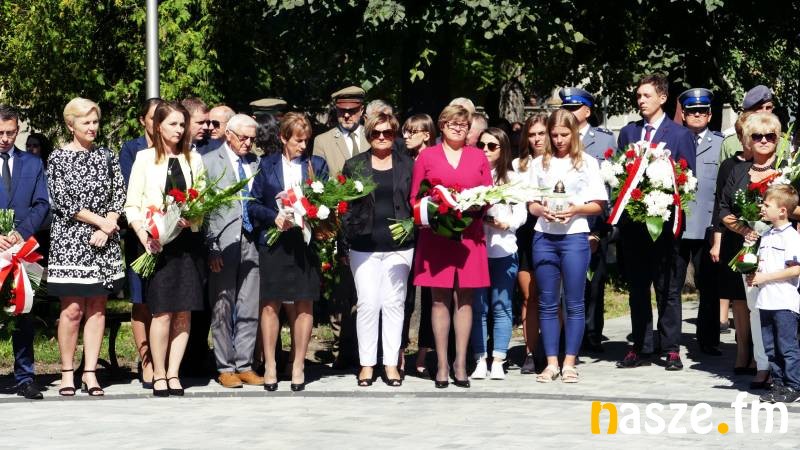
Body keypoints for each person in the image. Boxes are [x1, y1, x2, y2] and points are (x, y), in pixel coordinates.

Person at [125, 101, 206, 397]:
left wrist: (192, 216)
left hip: (187, 243)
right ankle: (158, 372)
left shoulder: (193, 159)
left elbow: (202, 201)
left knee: (183, 312)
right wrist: (145, 234)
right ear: (158, 126)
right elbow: (132, 205)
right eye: (173, 124)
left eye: (182, 124)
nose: (179, 129)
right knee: (161, 312)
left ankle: (174, 372)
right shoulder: (144, 159)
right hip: (157, 244)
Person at [616, 74, 697, 370]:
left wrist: (664, 200)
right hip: (634, 226)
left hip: (665, 225)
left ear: (662, 98)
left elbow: (688, 179)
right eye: (638, 96)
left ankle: (671, 348)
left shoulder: (679, 135)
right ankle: (640, 346)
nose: (641, 100)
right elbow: (620, 175)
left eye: (646, 95)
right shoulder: (629, 132)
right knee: (638, 288)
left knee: (668, 288)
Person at [411, 104, 492, 388]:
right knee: (438, 299)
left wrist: (478, 205)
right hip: (437, 237)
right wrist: (434, 212)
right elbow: (415, 197)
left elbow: (489, 192)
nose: (458, 128)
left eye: (463, 124)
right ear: (442, 125)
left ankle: (460, 362)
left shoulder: (478, 156)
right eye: (452, 123)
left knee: (465, 299)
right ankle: (442, 363)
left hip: (469, 236)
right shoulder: (427, 156)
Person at [49, 97, 125, 397]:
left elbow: (118, 194)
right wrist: (100, 222)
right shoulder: (58, 158)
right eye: (86, 122)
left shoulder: (107, 156)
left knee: (97, 308)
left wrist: (109, 224)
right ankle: (67, 372)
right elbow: (63, 201)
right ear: (71, 125)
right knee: (72, 310)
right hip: (70, 243)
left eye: (95, 121)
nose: (93, 127)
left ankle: (90, 372)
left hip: (103, 243)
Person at [248, 112, 329, 391]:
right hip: (275, 243)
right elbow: (253, 204)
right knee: (270, 303)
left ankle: (297, 364)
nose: (303, 146)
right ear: (283, 138)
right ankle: (270, 364)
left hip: (305, 244)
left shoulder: (316, 165)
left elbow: (328, 203)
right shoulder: (267, 164)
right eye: (297, 141)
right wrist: (274, 217)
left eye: (306, 141)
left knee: (304, 302)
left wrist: (314, 215)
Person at [529, 110, 607, 383]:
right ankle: (551, 362)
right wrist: (541, 210)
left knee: (574, 302)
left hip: (574, 236)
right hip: (545, 237)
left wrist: (576, 209)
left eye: (564, 134)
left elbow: (599, 204)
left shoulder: (587, 163)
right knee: (547, 302)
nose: (559, 140)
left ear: (574, 133)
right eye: (554, 135)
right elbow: (531, 203)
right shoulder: (538, 164)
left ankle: (570, 362)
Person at [341, 112, 414, 387]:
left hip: (400, 245)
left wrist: (412, 225)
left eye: (388, 132)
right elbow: (345, 206)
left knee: (394, 304)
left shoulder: (408, 164)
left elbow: (416, 201)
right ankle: (367, 364)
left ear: (395, 135)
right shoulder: (354, 165)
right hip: (364, 245)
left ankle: (391, 363)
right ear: (368, 134)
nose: (382, 137)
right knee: (368, 304)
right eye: (376, 133)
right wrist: (344, 241)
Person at [719, 112, 783, 389]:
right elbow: (724, 209)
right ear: (747, 139)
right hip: (750, 249)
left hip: (782, 249)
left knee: (782, 310)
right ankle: (762, 364)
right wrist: (745, 230)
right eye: (757, 136)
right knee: (755, 308)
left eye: (770, 136)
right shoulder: (738, 171)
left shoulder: (788, 170)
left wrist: (776, 215)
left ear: (778, 139)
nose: (764, 140)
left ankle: (783, 367)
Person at [204, 114, 263, 388]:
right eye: (243, 137)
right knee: (222, 304)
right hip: (223, 242)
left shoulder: (256, 162)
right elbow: (204, 209)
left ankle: (245, 364)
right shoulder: (208, 161)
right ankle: (225, 366)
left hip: (253, 241)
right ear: (228, 134)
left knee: (249, 304)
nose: (248, 143)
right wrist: (211, 246)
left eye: (252, 139)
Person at [312, 86, 368, 369]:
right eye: (342, 111)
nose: (347, 116)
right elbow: (318, 182)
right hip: (337, 220)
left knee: (366, 288)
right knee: (340, 289)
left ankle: (365, 347)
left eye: (352, 111)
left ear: (362, 110)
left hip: (369, 221)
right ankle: (341, 348)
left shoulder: (374, 135)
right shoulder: (323, 140)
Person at [559, 87, 615, 353]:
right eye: (566, 109)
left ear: (587, 111)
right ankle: (567, 334)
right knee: (566, 282)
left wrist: (602, 228)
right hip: (563, 221)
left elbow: (612, 184)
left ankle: (592, 333)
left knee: (594, 282)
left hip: (594, 221)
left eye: (573, 108)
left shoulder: (604, 140)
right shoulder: (558, 138)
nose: (569, 113)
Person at [0, 105, 49, 399]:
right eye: (0, 133)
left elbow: (42, 203)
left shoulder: (32, 163)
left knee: (23, 312)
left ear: (17, 131)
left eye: (10, 133)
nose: (5, 138)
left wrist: (21, 233)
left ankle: (25, 377)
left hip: (22, 249)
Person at [470, 128, 526, 380]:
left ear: (503, 149)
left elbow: (521, 213)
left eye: (492, 146)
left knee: (502, 306)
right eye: (481, 145)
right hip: (477, 250)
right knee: (478, 308)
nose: (485, 150)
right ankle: (480, 358)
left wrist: (507, 223)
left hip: (503, 249)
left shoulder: (512, 178)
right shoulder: (473, 176)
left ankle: (499, 359)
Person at [675, 88, 724, 356]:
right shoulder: (672, 140)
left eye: (702, 111)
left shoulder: (720, 143)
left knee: (709, 285)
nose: (697, 115)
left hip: (708, 225)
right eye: (692, 111)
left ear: (710, 115)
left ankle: (708, 340)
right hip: (678, 224)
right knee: (671, 286)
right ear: (683, 115)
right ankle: (670, 340)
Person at [119, 97, 163, 389]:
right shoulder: (131, 149)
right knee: (141, 300)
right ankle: (146, 361)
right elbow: (129, 191)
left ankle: (163, 362)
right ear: (142, 121)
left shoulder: (175, 148)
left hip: (168, 237)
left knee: (164, 302)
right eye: (152, 118)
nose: (157, 124)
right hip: (140, 235)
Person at [747, 184, 800, 403]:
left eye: (767, 205)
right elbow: (763, 264)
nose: (762, 208)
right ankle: (778, 384)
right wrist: (753, 273)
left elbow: (795, 269)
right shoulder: (767, 234)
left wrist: (765, 278)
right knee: (770, 348)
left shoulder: (791, 237)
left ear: (782, 211)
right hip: (766, 301)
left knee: (786, 347)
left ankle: (793, 386)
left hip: (784, 302)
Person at [711, 111, 753, 363]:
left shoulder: (773, 165)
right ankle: (742, 351)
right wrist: (717, 241)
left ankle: (756, 353)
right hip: (733, 236)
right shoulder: (729, 166)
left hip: (759, 237)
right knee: (737, 296)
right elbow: (720, 205)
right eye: (746, 134)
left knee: (753, 297)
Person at [400, 113, 436, 375]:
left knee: (431, 297)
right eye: (405, 131)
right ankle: (399, 352)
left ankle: (423, 352)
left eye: (412, 132)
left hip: (431, 232)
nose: (406, 136)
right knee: (404, 297)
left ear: (426, 134)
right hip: (405, 233)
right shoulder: (403, 161)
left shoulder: (435, 160)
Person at [513, 113, 548, 374]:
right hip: (525, 232)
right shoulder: (518, 165)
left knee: (551, 296)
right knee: (529, 296)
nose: (536, 139)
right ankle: (530, 351)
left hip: (551, 231)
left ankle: (550, 347)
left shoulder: (559, 163)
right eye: (532, 134)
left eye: (541, 133)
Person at [719, 85, 778, 161]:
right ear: (748, 112)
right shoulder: (730, 143)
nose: (764, 112)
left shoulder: (782, 143)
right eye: (759, 108)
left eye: (768, 108)